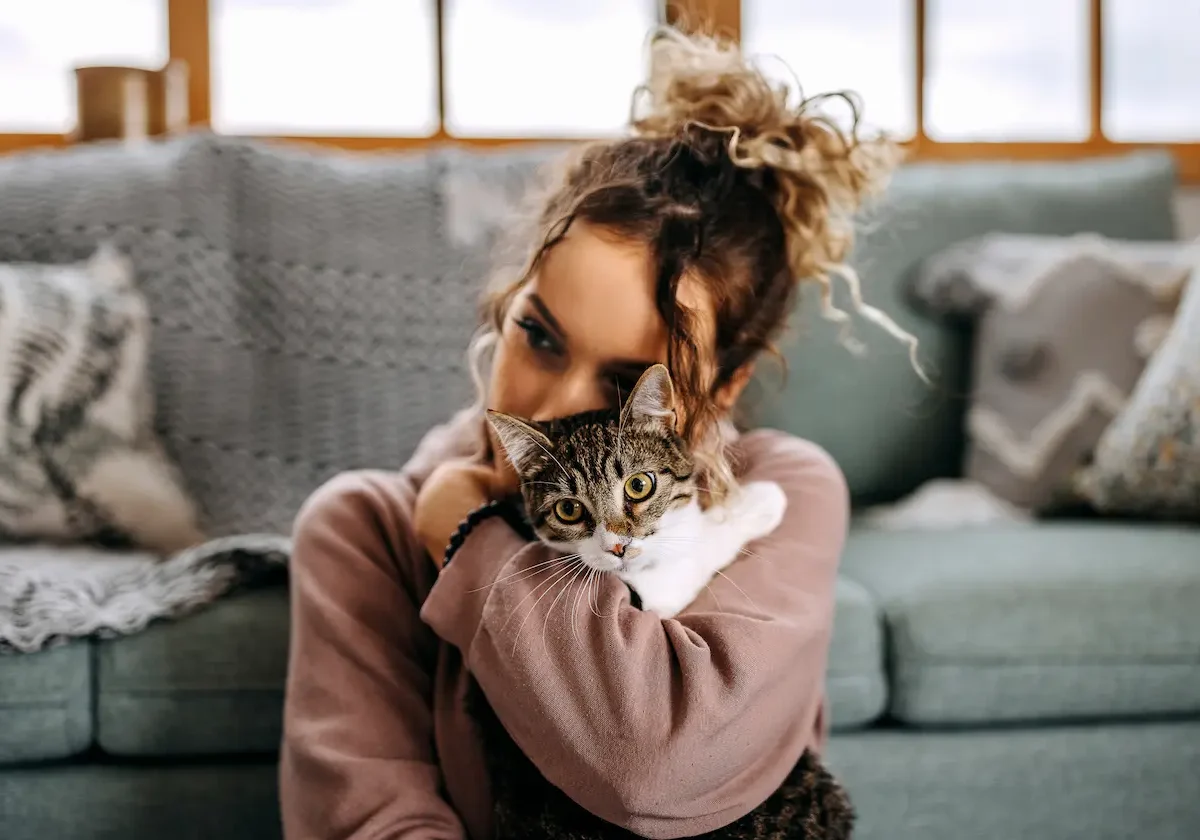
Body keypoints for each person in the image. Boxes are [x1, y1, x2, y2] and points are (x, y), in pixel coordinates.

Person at [279, 26, 914, 840]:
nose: (552, 410)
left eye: (622, 383)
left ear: (722, 391)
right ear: (505, 304)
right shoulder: (363, 529)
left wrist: (469, 541)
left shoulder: (784, 496)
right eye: (538, 335)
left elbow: (658, 769)